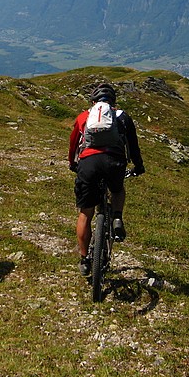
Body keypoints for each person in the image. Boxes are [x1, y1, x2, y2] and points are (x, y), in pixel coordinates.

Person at [68, 83, 144, 276]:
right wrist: (138, 166)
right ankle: (117, 217)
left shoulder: (84, 117)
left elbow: (73, 144)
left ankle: (84, 260)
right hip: (114, 162)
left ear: (93, 102)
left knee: (85, 214)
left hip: (88, 164)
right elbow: (133, 146)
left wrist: (72, 163)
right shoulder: (122, 117)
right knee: (117, 190)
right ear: (113, 102)